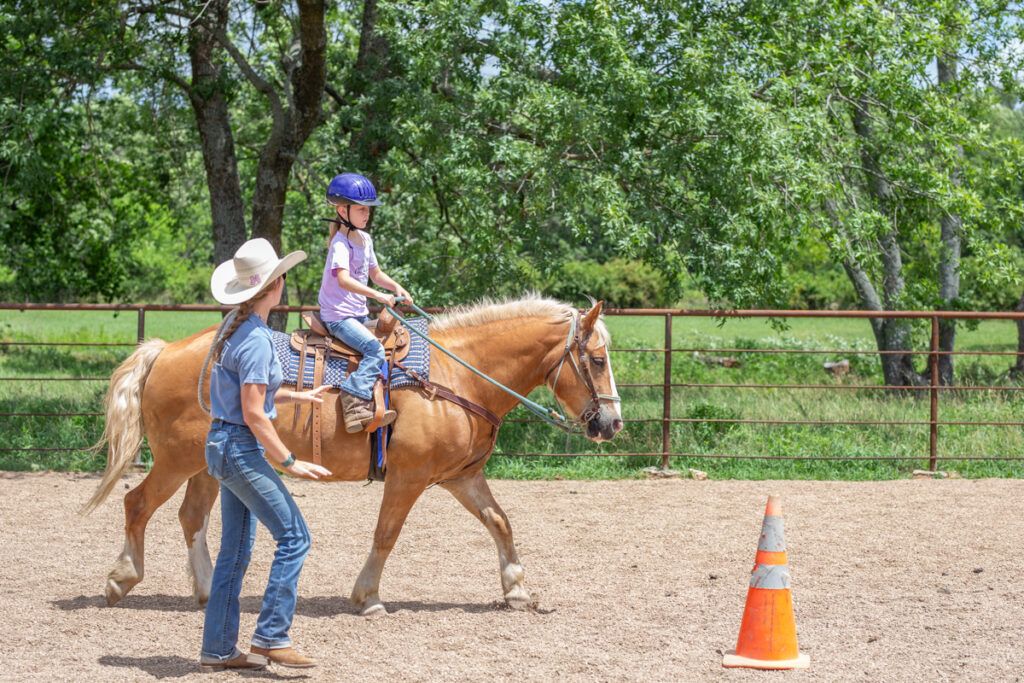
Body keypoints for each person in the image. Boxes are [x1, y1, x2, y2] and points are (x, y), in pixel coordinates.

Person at [200, 237, 332, 672]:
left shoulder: (235, 330)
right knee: (296, 538)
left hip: (222, 445)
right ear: (274, 287)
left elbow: (247, 397)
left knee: (234, 553)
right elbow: (255, 414)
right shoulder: (257, 339)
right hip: (241, 448)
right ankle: (272, 636)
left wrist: (297, 395)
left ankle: (218, 649)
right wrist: (289, 462)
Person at [319, 172, 412, 433]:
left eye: (368, 209)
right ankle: (353, 397)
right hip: (338, 316)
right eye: (361, 209)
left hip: (357, 313)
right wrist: (379, 296)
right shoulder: (340, 244)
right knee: (375, 351)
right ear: (342, 210)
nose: (367, 214)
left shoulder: (365, 239)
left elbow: (375, 274)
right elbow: (344, 280)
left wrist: (395, 287)